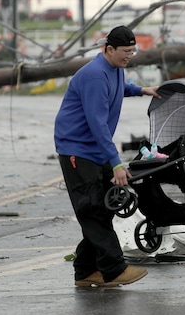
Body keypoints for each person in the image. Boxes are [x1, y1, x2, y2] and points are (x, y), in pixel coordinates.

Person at [54, 25, 160, 288]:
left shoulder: (114, 68)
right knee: (92, 211)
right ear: (109, 49)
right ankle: (113, 270)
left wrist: (141, 90)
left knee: (101, 208)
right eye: (125, 52)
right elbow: (97, 124)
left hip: (94, 148)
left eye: (133, 52)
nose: (129, 57)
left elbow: (119, 87)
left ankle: (85, 271)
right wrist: (116, 163)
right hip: (78, 150)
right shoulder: (94, 75)